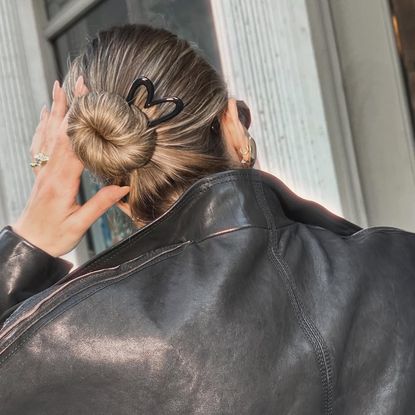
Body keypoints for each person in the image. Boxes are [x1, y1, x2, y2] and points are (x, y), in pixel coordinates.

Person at [0, 23, 414, 415]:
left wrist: (27, 242)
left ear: (116, 187)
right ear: (233, 125)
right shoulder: (400, 263)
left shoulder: (74, 339)